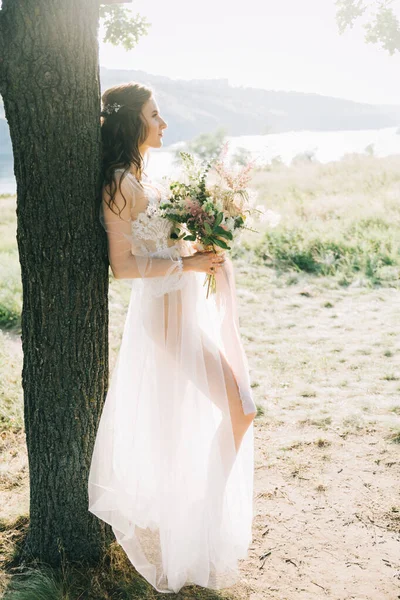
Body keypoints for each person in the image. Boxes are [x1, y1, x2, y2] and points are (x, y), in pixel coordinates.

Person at [88, 81, 257, 594]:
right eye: (154, 114)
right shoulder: (119, 183)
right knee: (239, 409)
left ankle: (194, 521)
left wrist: (206, 237)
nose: (162, 123)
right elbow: (123, 267)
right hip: (164, 324)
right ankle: (200, 525)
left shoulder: (141, 176)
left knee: (198, 421)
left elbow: (163, 240)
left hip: (181, 316)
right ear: (132, 123)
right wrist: (189, 261)